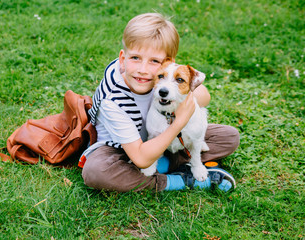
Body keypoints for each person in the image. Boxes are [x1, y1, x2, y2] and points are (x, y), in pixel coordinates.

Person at [80, 13, 239, 192]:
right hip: (123, 150)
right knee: (96, 172)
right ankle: (180, 180)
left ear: (167, 63)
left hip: (161, 136)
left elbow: (205, 96)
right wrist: (179, 122)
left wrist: (181, 94)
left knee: (229, 136)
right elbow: (139, 156)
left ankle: (163, 162)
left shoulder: (165, 75)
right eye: (135, 58)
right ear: (123, 59)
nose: (143, 70)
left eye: (154, 61)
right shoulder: (113, 99)